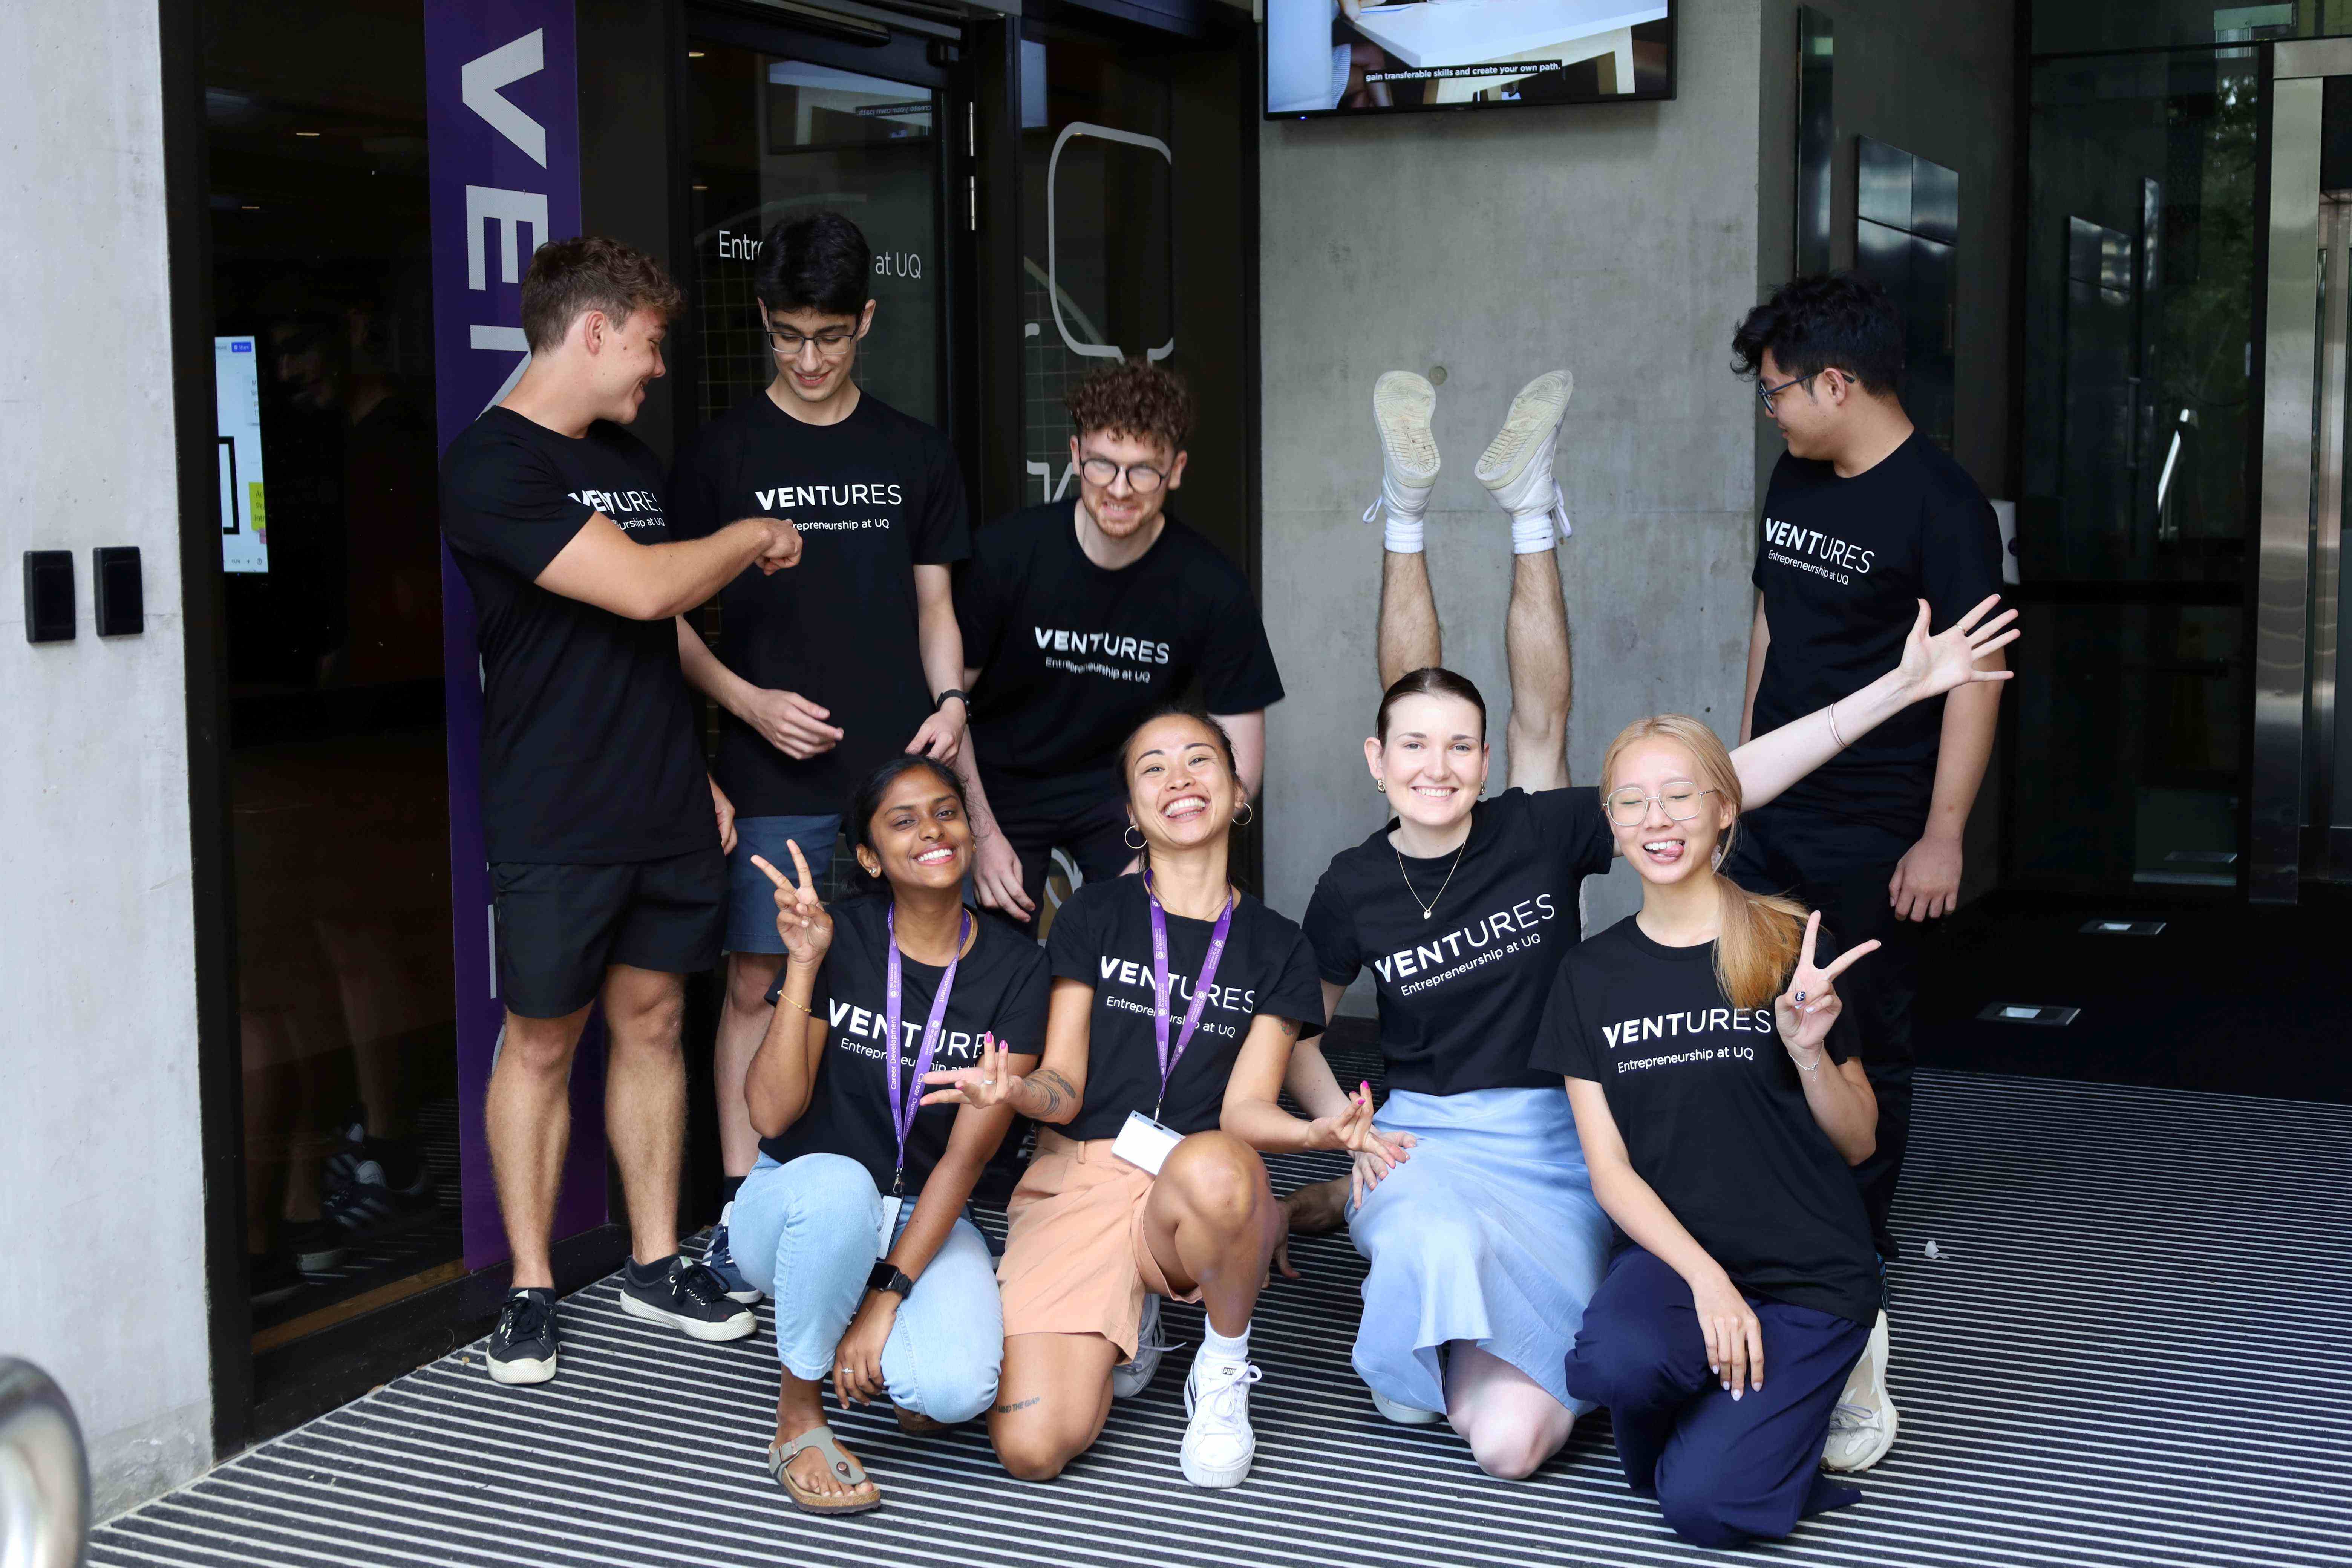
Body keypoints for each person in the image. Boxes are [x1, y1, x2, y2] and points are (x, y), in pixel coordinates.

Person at [1281, 366, 2015, 1478]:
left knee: (1538, 1422)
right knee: (1442, 699)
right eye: (1413, 756)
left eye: (1458, 755)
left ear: (1484, 772)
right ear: (1374, 766)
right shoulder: (1354, 881)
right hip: (1432, 1135)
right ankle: (1410, 510)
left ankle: (1531, 504)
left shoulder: (1531, 827)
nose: (1440, 769)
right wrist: (1349, 1130)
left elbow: (1737, 773)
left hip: (1558, 1142)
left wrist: (1898, 691)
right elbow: (1293, 1025)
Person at [439, 235, 802, 1384]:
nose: (653, 371)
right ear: (593, 331)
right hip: (554, 810)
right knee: (544, 1040)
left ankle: (652, 1265)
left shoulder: (632, 465)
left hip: (663, 799)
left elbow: (658, 622)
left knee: (652, 1024)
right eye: (647, 347)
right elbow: (647, 581)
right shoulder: (493, 466)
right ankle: (533, 1289)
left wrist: (719, 730)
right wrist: (751, 534)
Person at [923, 708, 1396, 1488]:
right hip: (1080, 1174)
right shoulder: (1092, 916)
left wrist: (1318, 1134)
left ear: (1238, 788)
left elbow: (1245, 1108)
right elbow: (1065, 1087)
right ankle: (1132, 1320)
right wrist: (1014, 1090)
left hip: (1193, 1183)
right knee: (1032, 1447)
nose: (1179, 780)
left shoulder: (1278, 944)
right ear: (1134, 812)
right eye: (1154, 768)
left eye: (1200, 760)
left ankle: (1221, 1365)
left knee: (1221, 1164)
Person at [668, 211, 972, 1302]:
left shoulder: (913, 450)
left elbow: (936, 604)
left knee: (898, 983)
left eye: (831, 336)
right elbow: (670, 616)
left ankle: (895, 1195)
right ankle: (743, 1216)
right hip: (773, 771)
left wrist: (948, 702)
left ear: (867, 322)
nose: (808, 358)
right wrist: (747, 705)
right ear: (762, 320)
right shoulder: (720, 454)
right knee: (758, 980)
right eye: (789, 335)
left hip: (895, 780)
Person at [1729, 271, 2006, 1470]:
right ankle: (1760, 1205)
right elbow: (1770, 626)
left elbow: (1976, 678)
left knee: (1861, 1027)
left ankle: (1854, 1240)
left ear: (1838, 383)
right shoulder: (1797, 476)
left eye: (1781, 391)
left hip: (1879, 818)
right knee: (1747, 999)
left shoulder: (1943, 506)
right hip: (1779, 797)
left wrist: (1944, 832)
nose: (1772, 412)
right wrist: (1740, 776)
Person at [1533, 715, 1889, 1548]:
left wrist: (1808, 1053)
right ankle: (1753, 1397)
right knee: (1614, 1363)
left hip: (1810, 1272)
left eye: (1680, 796)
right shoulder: (1589, 975)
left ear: (1725, 809)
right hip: (1677, 1262)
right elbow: (1610, 1169)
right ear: (1613, 829)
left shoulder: (1787, 945)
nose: (1658, 820)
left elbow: (1861, 1141)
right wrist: (1706, 1279)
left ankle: (1822, 1374)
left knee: (1702, 1504)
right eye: (1634, 803)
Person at [732, 756, 1049, 1515]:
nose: (932, 831)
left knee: (954, 1389)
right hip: (797, 1197)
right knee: (841, 1185)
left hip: (927, 1212)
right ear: (869, 855)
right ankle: (799, 1412)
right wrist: (804, 965)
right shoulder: (838, 936)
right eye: (903, 820)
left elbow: (967, 1159)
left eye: (946, 812)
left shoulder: (1019, 968)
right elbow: (771, 1116)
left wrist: (885, 1301)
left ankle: (860, 1323)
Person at [952, 361, 1286, 924]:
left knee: (1153, 928)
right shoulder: (1007, 555)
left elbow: (1241, 761)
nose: (1120, 490)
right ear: (1077, 454)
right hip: (997, 780)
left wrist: (1169, 852)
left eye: (1143, 472)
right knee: (988, 955)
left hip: (1124, 786)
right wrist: (980, 835)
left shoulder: (1210, 583)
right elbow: (945, 707)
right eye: (1103, 466)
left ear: (1176, 470)